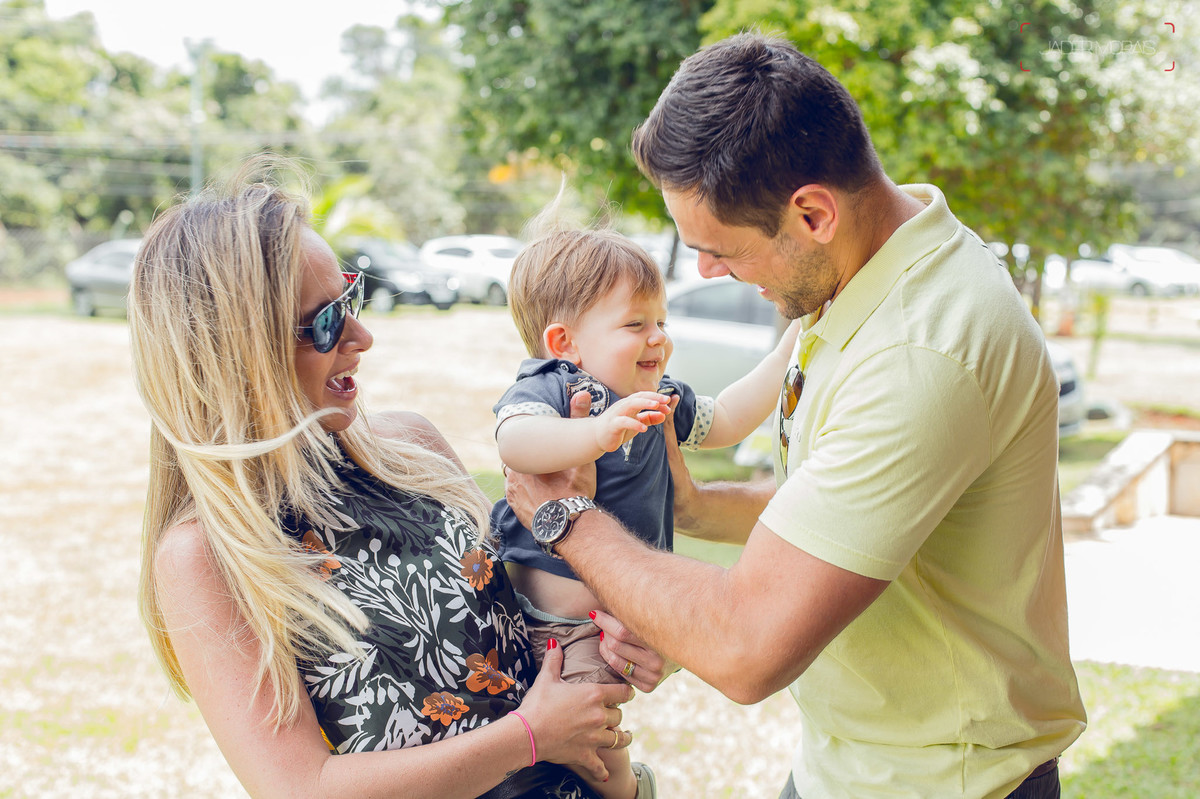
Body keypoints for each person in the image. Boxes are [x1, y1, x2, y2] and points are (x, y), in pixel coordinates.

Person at [503, 32, 1087, 799]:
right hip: (852, 766)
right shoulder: (864, 271)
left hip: (939, 779)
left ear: (813, 213)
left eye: (721, 249)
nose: (706, 271)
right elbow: (845, 507)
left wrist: (564, 518)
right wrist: (689, 511)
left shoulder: (920, 351)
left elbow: (747, 647)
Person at [128, 157, 668, 799]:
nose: (363, 336)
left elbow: (523, 618)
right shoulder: (202, 555)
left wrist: (618, 633)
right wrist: (530, 736)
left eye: (349, 299)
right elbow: (302, 788)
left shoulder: (413, 448)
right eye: (324, 323)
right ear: (235, 354)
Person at [490, 209, 801, 798]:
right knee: (594, 747)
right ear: (564, 343)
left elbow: (728, 418)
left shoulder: (657, 397)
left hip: (604, 630)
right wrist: (594, 432)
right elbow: (515, 441)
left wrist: (793, 342)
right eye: (636, 323)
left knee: (591, 734)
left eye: (661, 320)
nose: (659, 337)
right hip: (540, 624)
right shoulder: (557, 386)